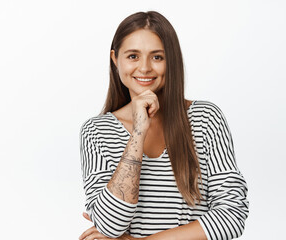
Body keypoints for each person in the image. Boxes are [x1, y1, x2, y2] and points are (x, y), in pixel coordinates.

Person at [79, 11, 249, 240]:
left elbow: (232, 215)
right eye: (133, 56)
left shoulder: (206, 118)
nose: (145, 68)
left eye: (157, 57)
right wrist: (139, 132)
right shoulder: (96, 131)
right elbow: (110, 226)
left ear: (172, 60)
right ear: (115, 59)